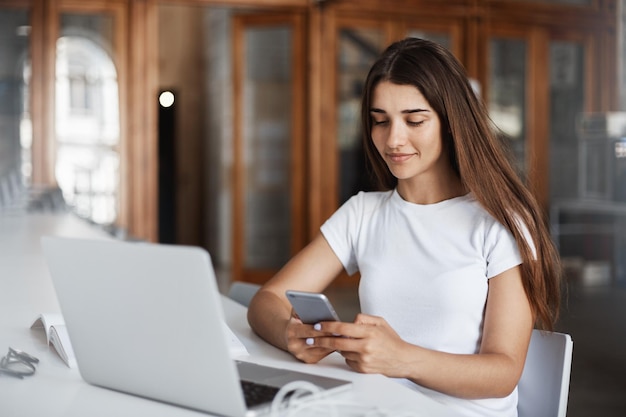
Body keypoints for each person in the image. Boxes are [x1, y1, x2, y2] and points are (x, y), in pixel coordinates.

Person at [247, 37, 561, 416]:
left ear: (452, 122)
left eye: (414, 120)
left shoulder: (501, 223)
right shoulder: (363, 213)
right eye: (380, 121)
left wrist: (401, 359)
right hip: (377, 407)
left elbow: (503, 372)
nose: (393, 139)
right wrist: (290, 334)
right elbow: (267, 301)